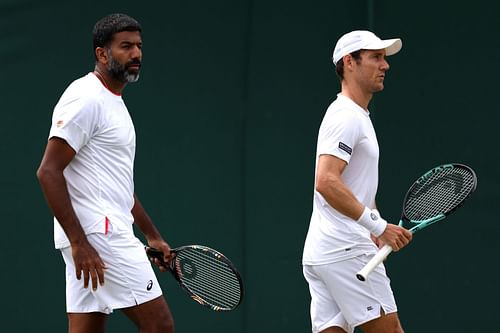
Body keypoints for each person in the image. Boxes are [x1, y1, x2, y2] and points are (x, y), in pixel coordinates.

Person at [36, 13, 174, 333]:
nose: (136, 54)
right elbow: (48, 171)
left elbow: (120, 186)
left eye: (139, 46)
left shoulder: (115, 102)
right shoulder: (85, 98)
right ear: (102, 54)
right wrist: (80, 243)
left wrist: (151, 234)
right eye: (125, 46)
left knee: (87, 328)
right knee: (161, 326)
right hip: (97, 237)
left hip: (95, 235)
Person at [302, 30, 414, 333]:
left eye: (384, 58)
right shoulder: (346, 117)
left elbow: (354, 186)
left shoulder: (356, 115)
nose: (385, 65)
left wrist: (373, 227)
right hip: (347, 251)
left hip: (324, 252)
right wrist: (379, 227)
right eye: (375, 57)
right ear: (349, 62)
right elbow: (326, 181)